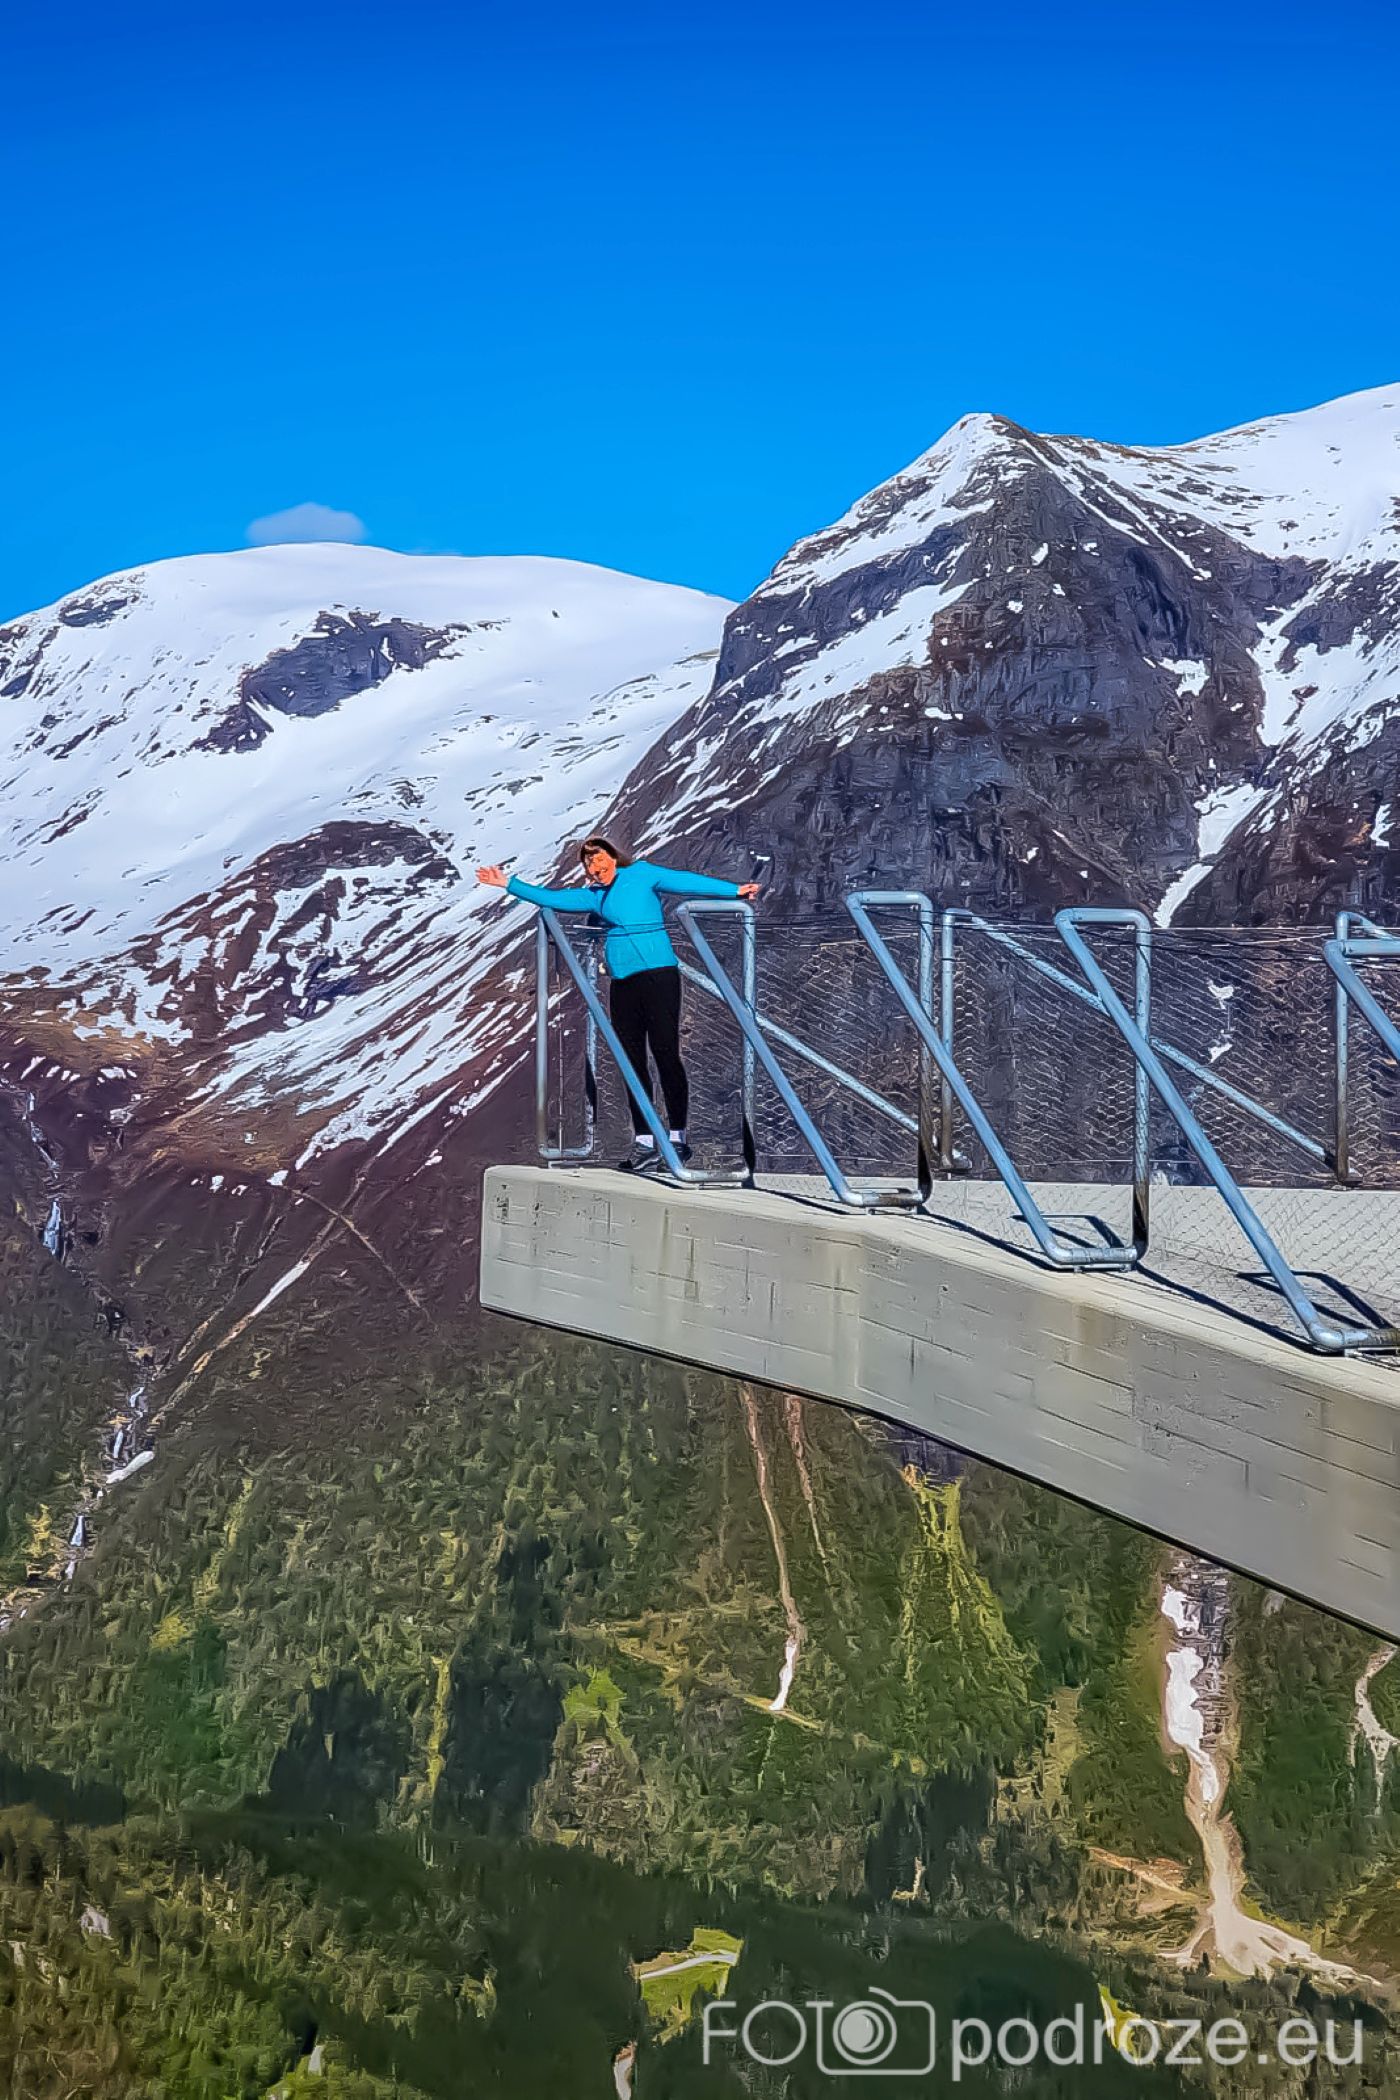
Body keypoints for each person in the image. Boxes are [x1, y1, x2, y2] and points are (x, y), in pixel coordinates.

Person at [477, 836, 759, 1171]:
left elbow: (684, 881)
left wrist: (734, 891)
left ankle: (677, 1138)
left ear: (613, 857)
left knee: (665, 1052)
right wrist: (508, 883)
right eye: (588, 864)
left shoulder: (642, 874)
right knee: (631, 1060)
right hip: (623, 982)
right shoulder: (595, 897)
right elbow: (553, 898)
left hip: (658, 975)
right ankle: (645, 1141)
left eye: (598, 859)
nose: (594, 868)